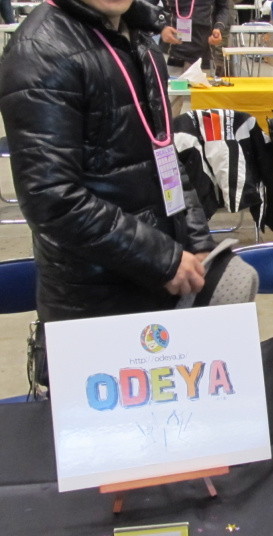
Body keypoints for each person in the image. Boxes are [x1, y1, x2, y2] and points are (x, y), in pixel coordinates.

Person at [0, 0, 218, 323]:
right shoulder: (40, 51)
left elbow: (164, 153)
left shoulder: (140, 41)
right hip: (94, 300)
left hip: (156, 284)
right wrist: (162, 259)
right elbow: (51, 198)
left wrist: (196, 239)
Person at [161, 0, 229, 73]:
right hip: (171, 52)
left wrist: (218, 28)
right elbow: (151, 6)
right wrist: (161, 28)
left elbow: (223, 8)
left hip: (204, 52)